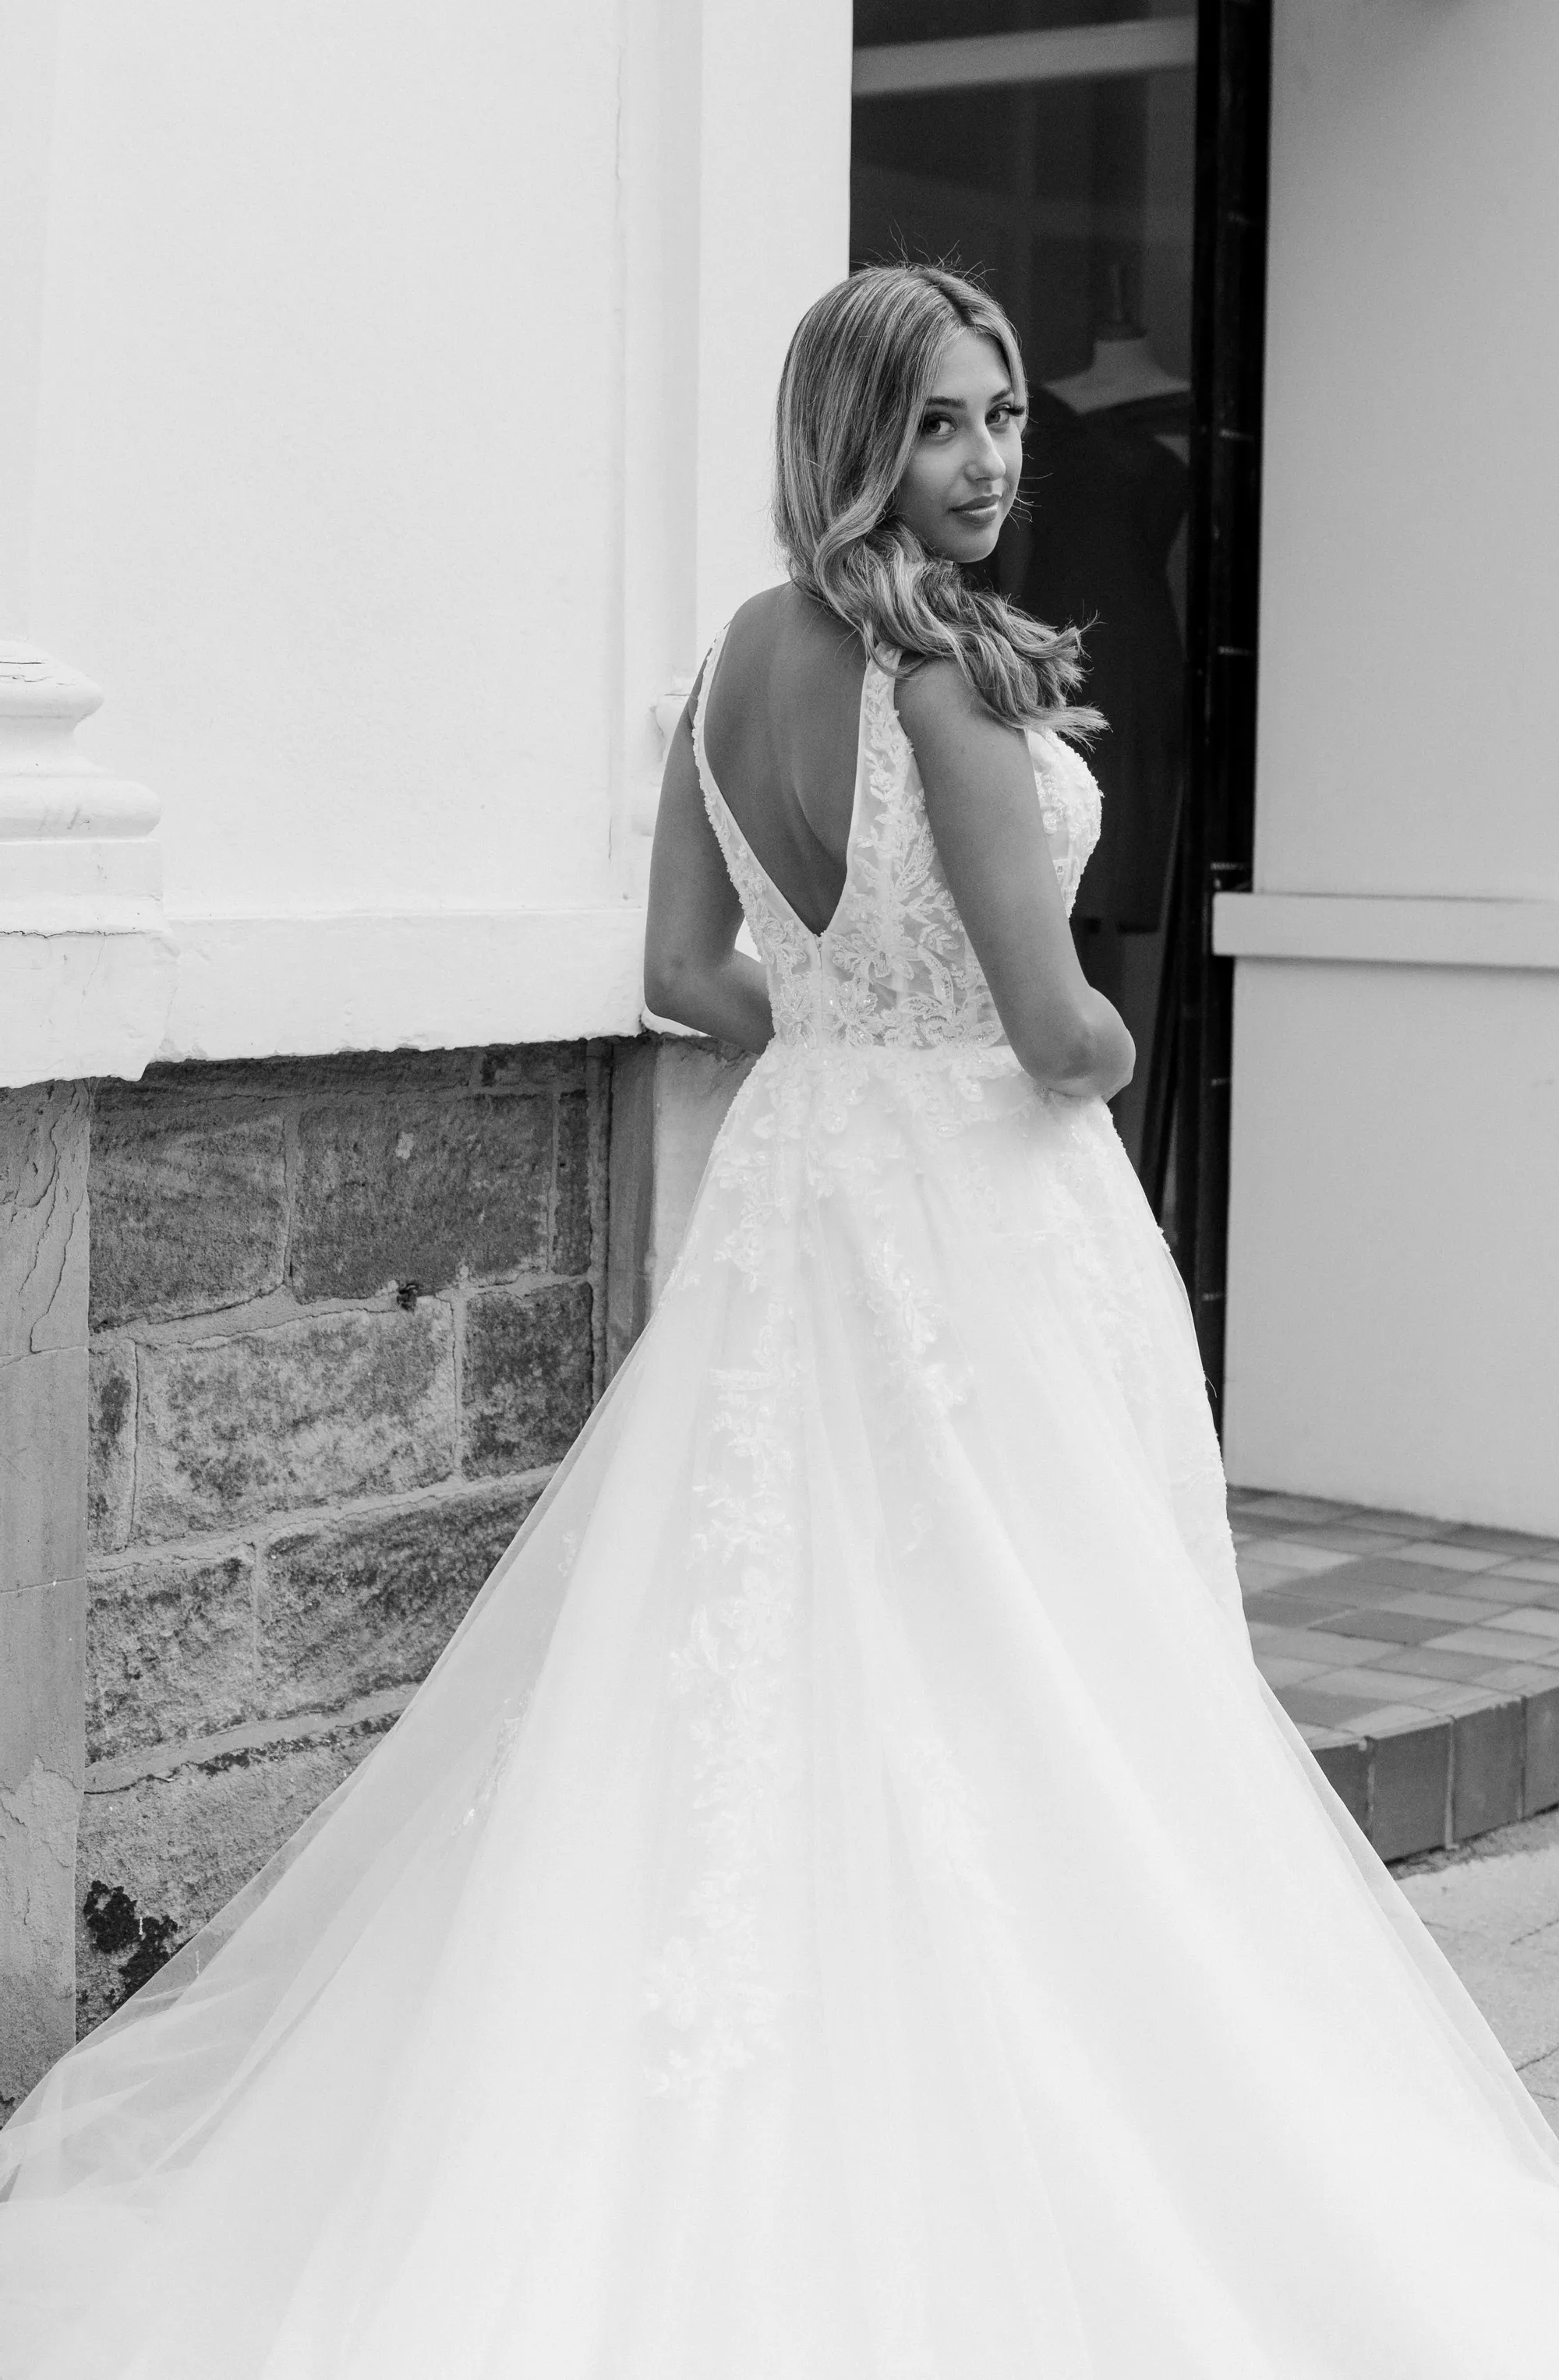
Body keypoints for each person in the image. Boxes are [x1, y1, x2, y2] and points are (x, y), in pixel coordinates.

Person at [2, 262, 1557, 2378]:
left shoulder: (732, 662)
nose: (991, 459)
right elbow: (1057, 1032)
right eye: (940, 422)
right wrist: (1071, 1037)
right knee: (1028, 1643)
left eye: (1005, 413)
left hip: (803, 1184)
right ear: (851, 438)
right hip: (980, 1207)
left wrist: (834, 1025)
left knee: (786, 1631)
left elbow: (680, 969)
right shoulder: (948, 682)